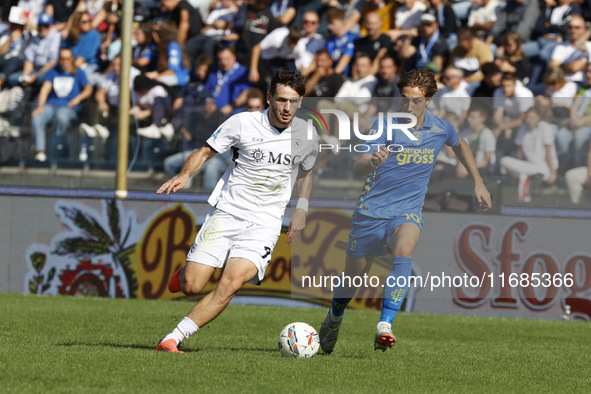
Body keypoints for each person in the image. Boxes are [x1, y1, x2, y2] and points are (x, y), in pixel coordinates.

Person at [319, 68, 492, 353]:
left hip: (407, 212)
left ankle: (385, 324)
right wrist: (373, 160)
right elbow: (356, 167)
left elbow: (461, 146)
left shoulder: (440, 128)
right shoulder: (383, 125)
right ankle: (334, 318)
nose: (409, 107)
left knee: (405, 249)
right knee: (352, 279)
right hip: (370, 213)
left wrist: (479, 182)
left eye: (416, 101)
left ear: (428, 101)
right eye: (405, 100)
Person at [155, 71, 318, 354]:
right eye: (280, 100)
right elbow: (206, 151)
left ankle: (172, 338)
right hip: (228, 212)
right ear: (269, 98)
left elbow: (306, 172)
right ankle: (185, 275)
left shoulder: (306, 134)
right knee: (193, 286)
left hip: (266, 222)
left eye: (293, 101)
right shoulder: (242, 122)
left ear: (301, 101)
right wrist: (185, 175)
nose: (286, 108)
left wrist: (301, 209)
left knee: (230, 284)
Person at [31, 46, 92, 162]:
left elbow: (88, 89)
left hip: (69, 108)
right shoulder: (53, 71)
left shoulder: (78, 72)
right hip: (52, 105)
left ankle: (54, 147)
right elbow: (45, 90)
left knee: (62, 116)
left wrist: (78, 99)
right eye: (62, 59)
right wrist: (39, 106)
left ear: (72, 59)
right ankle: (41, 150)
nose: (65, 62)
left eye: (67, 59)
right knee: (37, 117)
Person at [499, 106, 559, 202]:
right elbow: (520, 152)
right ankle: (524, 200)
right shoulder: (523, 128)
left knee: (524, 175)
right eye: (527, 117)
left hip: (544, 168)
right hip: (528, 166)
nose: (529, 120)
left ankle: (523, 201)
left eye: (532, 118)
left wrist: (553, 173)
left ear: (539, 118)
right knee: (504, 160)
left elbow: (549, 152)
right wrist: (515, 172)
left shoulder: (545, 128)